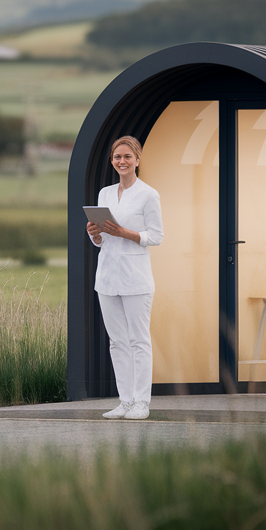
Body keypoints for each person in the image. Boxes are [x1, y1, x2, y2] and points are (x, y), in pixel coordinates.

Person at [87, 135, 163, 420]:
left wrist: (125, 233)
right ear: (112, 161)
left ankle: (142, 402)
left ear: (137, 160)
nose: (122, 161)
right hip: (107, 276)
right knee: (116, 341)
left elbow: (156, 236)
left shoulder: (148, 195)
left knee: (138, 340)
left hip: (136, 278)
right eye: (117, 157)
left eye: (127, 157)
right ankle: (125, 400)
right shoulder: (105, 194)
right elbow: (102, 240)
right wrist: (95, 235)